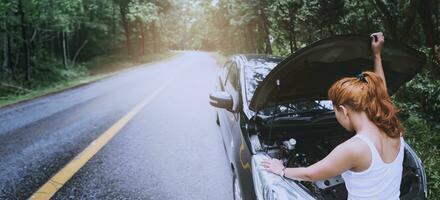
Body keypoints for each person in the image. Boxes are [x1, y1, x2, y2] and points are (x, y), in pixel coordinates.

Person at [260, 32, 405, 200]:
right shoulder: (393, 128)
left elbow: (310, 174)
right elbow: (381, 94)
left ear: (344, 110)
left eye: (334, 110)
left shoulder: (354, 148)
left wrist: (282, 169)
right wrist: (377, 55)